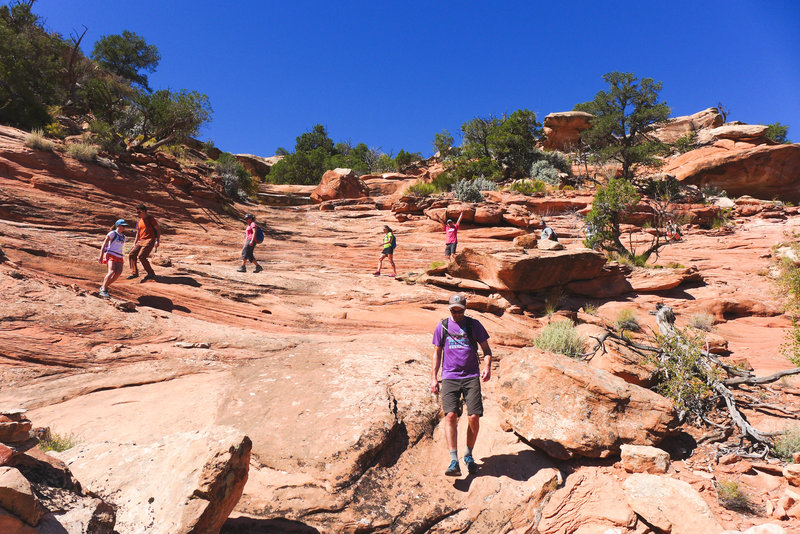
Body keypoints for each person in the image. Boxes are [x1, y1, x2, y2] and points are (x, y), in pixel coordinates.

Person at [430, 293, 492, 476]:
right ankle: (453, 461)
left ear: (465, 309)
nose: (456, 314)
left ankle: (468, 455)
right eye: (453, 311)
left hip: (471, 376)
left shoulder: (474, 325)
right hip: (450, 376)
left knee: (474, 417)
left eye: (460, 311)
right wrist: (434, 377)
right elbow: (437, 353)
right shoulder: (442, 326)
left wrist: (487, 367)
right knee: (450, 416)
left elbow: (487, 350)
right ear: (449, 309)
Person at [127, 204, 160, 282]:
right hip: (141, 240)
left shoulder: (150, 219)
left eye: (139, 212)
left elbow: (157, 229)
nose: (138, 214)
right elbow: (138, 234)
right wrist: (134, 243)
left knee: (142, 256)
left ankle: (151, 273)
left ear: (144, 211)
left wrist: (157, 240)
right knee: (132, 254)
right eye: (137, 212)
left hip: (150, 239)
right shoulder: (139, 221)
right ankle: (134, 273)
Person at [98, 219, 128, 298]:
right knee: (111, 272)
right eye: (123, 225)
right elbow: (104, 243)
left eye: (125, 226)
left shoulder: (124, 237)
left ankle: (104, 286)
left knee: (118, 273)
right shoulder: (112, 233)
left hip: (119, 255)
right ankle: (103, 289)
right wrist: (101, 255)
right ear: (118, 225)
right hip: (111, 254)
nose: (124, 227)